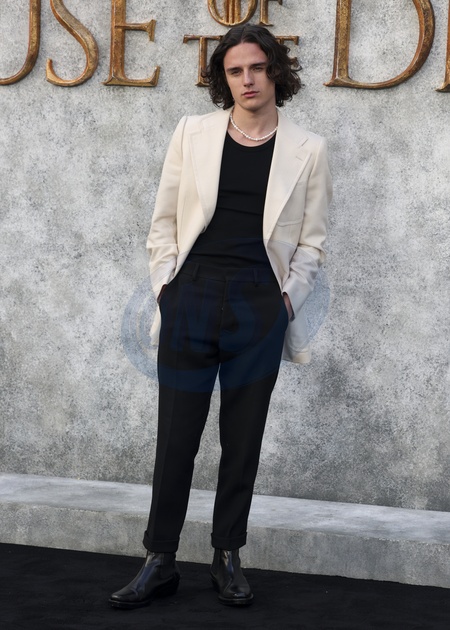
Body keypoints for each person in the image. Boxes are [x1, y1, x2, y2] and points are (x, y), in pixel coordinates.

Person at [109, 23, 332, 610]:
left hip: (260, 305)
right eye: (235, 71)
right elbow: (163, 221)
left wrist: (286, 302)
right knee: (175, 437)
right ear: (223, 79)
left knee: (243, 438)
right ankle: (159, 559)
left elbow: (312, 243)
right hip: (192, 296)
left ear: (276, 70)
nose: (247, 80)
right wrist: (166, 288)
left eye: (256, 67)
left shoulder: (309, 148)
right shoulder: (193, 132)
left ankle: (227, 555)